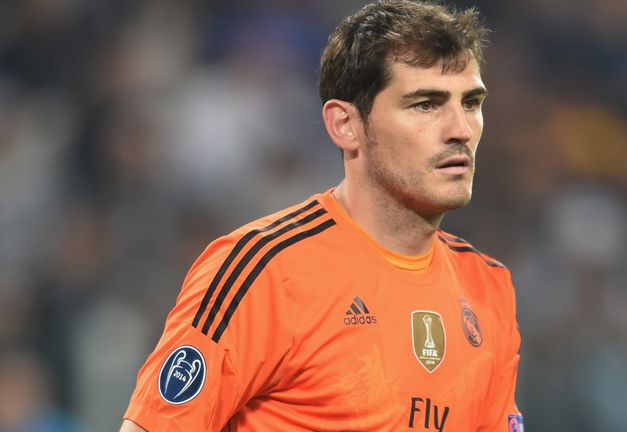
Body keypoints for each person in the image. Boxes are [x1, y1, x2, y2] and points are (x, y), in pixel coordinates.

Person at [120, 0, 523, 430]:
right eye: (425, 104)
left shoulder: (488, 288)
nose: (460, 128)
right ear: (345, 125)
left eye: (471, 103)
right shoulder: (265, 272)